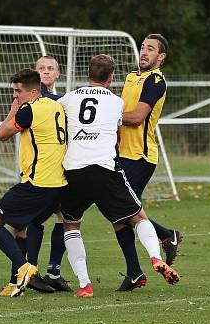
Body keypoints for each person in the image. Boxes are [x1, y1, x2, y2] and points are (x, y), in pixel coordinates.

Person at [57, 54, 180, 297]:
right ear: (111, 78)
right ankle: (156, 258)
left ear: (88, 74)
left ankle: (85, 285)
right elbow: (120, 130)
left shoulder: (69, 98)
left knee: (70, 225)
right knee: (137, 217)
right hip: (105, 169)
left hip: (74, 170)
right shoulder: (116, 103)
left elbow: (56, 115)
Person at [0, 69, 67, 297]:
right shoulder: (57, 106)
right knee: (20, 229)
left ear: (33, 91)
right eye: (13, 91)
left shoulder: (30, 110)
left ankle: (25, 267)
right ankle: (15, 283)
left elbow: (2, 134)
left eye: (18, 92)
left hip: (37, 184)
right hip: (58, 184)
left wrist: (13, 109)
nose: (15, 96)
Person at [115, 33, 182, 291]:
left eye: (150, 49)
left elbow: (136, 117)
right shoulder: (132, 77)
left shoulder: (155, 81)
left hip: (141, 157)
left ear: (160, 57)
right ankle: (137, 269)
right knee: (119, 213)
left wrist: (108, 117)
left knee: (121, 209)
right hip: (122, 153)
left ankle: (161, 240)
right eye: (143, 47)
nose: (144, 52)